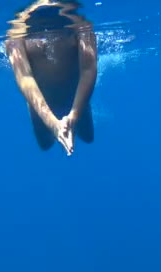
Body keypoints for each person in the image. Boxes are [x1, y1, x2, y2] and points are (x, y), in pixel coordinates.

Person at [5, 0, 98, 156]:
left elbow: (88, 69)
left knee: (88, 137)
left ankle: (73, 115)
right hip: (42, 100)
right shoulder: (16, 33)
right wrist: (51, 122)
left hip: (74, 95)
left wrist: (74, 114)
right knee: (45, 144)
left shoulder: (81, 26)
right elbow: (24, 77)